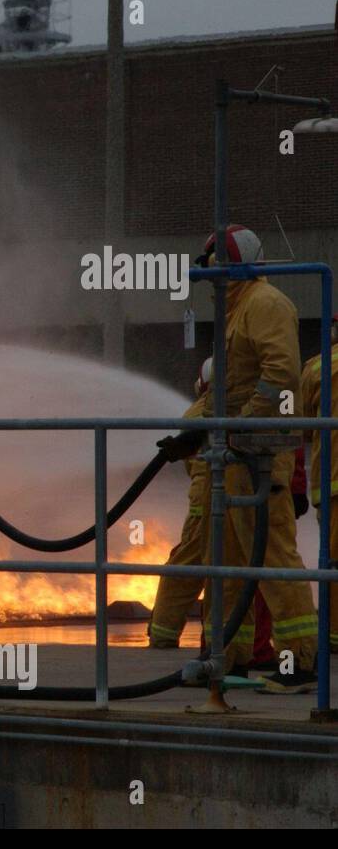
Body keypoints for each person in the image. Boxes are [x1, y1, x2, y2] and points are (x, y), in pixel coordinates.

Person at [181, 225, 319, 693]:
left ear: (234, 264)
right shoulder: (237, 311)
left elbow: (279, 375)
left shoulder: (265, 304)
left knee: (273, 558)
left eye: (217, 267)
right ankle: (230, 658)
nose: (211, 281)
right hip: (235, 454)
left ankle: (300, 663)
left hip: (259, 455)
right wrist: (191, 429)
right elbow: (227, 387)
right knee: (231, 562)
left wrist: (244, 426)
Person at [148, 359, 213, 650]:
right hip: (215, 497)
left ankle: (164, 633)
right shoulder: (219, 408)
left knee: (189, 566)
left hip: (209, 498)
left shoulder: (200, 410)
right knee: (209, 567)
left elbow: (190, 466)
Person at [298, 315, 338, 656]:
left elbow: (302, 425)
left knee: (335, 561)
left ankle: (335, 636)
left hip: (334, 482)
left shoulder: (318, 368)